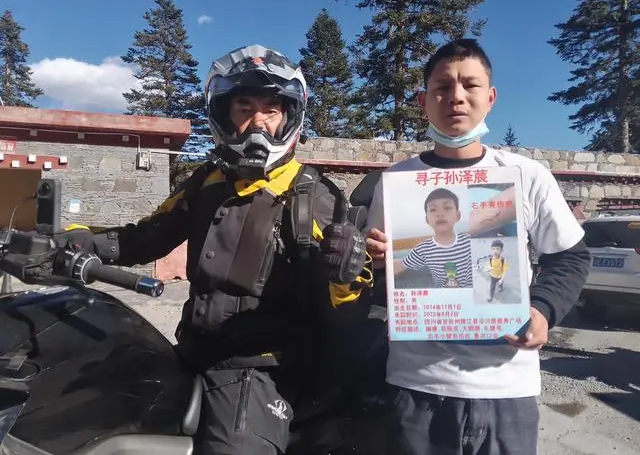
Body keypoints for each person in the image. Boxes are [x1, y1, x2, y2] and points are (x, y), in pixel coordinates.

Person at [58, 44, 371, 455]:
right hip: (191, 351)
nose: (258, 122)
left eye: (271, 110)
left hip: (262, 368)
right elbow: (145, 236)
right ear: (224, 114)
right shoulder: (206, 182)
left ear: (289, 117)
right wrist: (76, 239)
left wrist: (346, 275)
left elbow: (349, 307)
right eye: (244, 108)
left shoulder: (316, 196)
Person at [364, 39, 590, 455]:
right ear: (423, 101)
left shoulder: (526, 175)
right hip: (416, 386)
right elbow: (379, 280)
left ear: (491, 97)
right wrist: (376, 263)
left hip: (507, 388)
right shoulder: (396, 183)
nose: (456, 97)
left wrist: (543, 309)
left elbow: (570, 256)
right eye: (442, 87)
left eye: (470, 85)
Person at [395, 187, 472, 288]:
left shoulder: (469, 241)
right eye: (433, 209)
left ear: (458, 216)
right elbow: (400, 265)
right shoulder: (423, 249)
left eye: (447, 208)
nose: (440, 214)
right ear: (427, 220)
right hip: (442, 295)